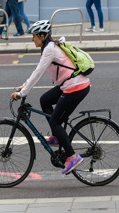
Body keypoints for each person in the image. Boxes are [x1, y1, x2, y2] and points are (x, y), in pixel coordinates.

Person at [10, 20, 90, 175]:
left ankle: (73, 157)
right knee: (44, 100)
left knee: (55, 121)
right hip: (70, 84)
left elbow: (38, 72)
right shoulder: (50, 47)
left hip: (76, 87)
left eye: (34, 36)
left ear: (42, 35)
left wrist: (22, 93)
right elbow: (37, 71)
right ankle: (57, 135)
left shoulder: (49, 49)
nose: (32, 39)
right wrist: (24, 86)